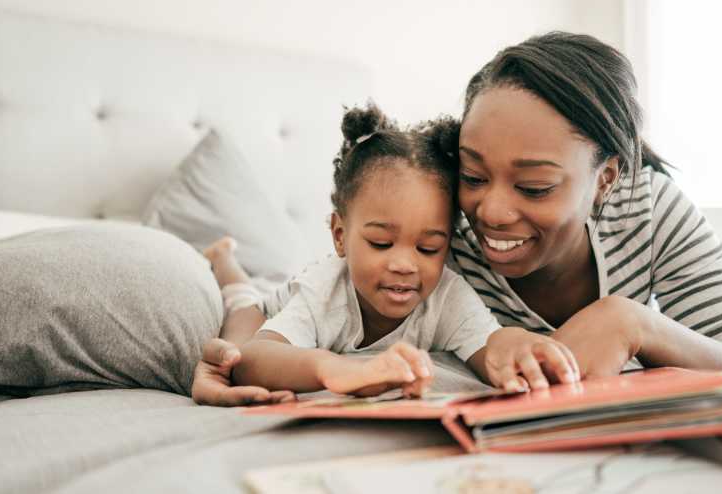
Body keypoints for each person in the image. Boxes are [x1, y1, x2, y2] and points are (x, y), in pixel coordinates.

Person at [191, 32, 722, 406]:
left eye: (534, 185)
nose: (490, 212)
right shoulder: (432, 232)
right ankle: (226, 261)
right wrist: (232, 356)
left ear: (607, 177)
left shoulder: (650, 208)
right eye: (473, 176)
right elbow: (310, 310)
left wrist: (636, 324)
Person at [199, 104, 580, 402]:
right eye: (381, 243)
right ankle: (224, 259)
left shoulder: (447, 296)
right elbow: (255, 359)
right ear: (339, 235)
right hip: (269, 308)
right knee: (239, 320)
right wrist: (333, 370)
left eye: (429, 248)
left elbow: (489, 344)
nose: (403, 265)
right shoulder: (324, 291)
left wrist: (517, 345)